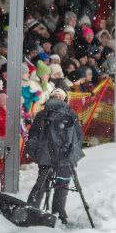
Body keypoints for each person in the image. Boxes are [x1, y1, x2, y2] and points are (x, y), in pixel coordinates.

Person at [24, 88, 84, 225]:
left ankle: (33, 211)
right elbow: (78, 136)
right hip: (60, 155)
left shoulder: (47, 114)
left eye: (59, 96)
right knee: (54, 184)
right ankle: (54, 213)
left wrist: (35, 148)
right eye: (55, 96)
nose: (57, 99)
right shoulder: (65, 114)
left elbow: (34, 134)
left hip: (53, 155)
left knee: (48, 184)